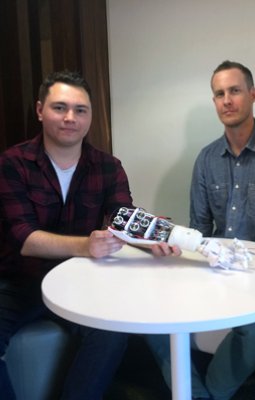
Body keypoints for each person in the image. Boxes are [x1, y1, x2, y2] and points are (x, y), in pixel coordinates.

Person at [0, 70, 179, 400]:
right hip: (20, 281)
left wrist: (152, 238)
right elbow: (23, 237)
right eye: (60, 108)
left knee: (112, 332)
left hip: (81, 282)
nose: (70, 118)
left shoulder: (108, 166)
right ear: (40, 110)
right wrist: (85, 245)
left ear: (91, 116)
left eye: (80, 110)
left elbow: (122, 217)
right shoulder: (13, 163)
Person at [146, 60, 255, 400]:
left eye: (234, 91)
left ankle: (208, 394)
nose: (227, 100)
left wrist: (238, 266)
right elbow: (200, 228)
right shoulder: (206, 159)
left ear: (253, 94)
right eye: (219, 94)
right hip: (215, 269)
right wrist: (180, 247)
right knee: (153, 316)